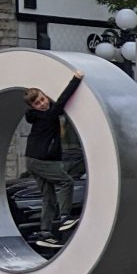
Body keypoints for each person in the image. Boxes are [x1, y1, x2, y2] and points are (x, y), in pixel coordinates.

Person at [23, 70, 84, 249]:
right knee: (66, 182)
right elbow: (64, 98)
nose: (42, 103)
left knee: (48, 197)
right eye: (37, 103)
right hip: (42, 161)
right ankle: (65, 217)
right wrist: (76, 79)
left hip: (32, 160)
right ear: (33, 107)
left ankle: (45, 233)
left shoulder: (40, 116)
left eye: (43, 99)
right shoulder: (48, 115)